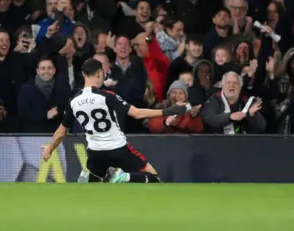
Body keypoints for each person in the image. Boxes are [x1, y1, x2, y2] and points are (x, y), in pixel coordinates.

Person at [41, 58, 190, 184]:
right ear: (100, 73)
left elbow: (61, 132)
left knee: (96, 183)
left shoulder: (73, 101)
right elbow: (137, 114)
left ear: (83, 74)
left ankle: (90, 176)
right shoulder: (107, 96)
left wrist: (49, 149)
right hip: (118, 149)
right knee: (154, 178)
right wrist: (168, 111)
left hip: (95, 153)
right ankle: (123, 177)